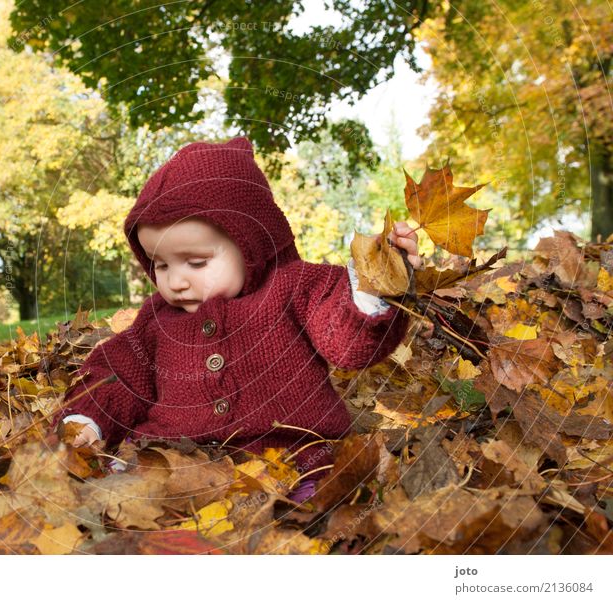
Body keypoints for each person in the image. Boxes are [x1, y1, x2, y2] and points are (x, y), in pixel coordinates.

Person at [51, 136, 420, 501]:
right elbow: (118, 375)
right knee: (123, 499)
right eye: (160, 264)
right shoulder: (159, 320)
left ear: (251, 242)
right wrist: (85, 420)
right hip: (175, 459)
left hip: (291, 457)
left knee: (320, 503)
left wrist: (376, 282)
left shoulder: (293, 287)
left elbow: (348, 343)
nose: (175, 281)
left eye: (196, 262)